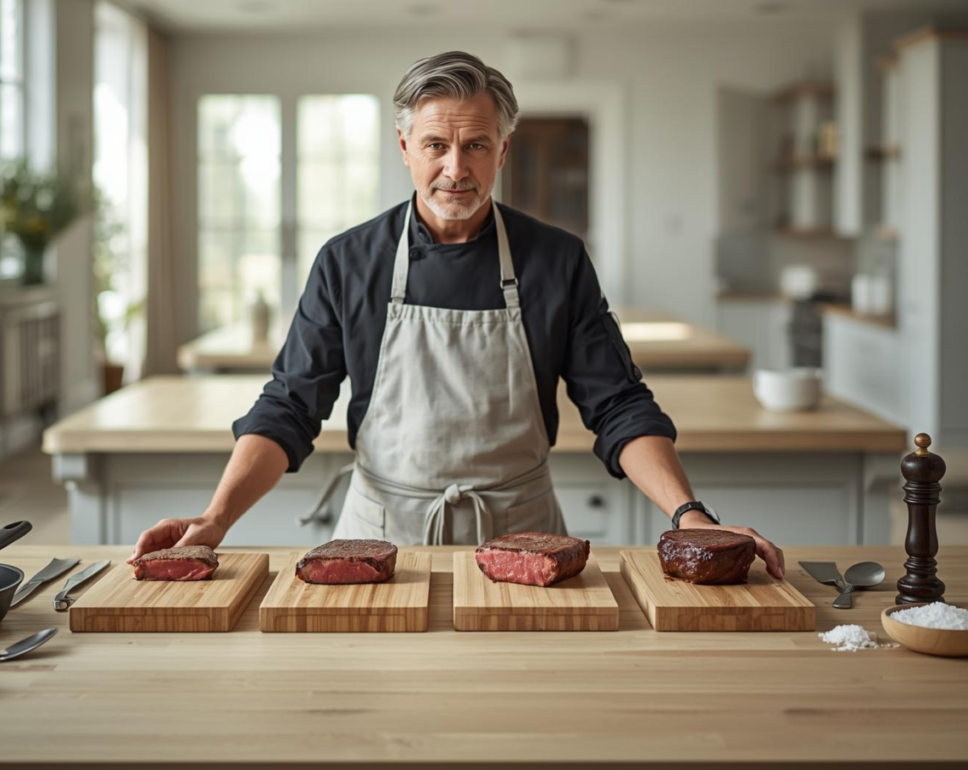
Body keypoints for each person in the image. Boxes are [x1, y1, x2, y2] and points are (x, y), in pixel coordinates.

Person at [128, 51, 784, 578]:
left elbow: (618, 404)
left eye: (475, 146)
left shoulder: (556, 260)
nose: (455, 168)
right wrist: (214, 521)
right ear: (405, 146)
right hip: (376, 541)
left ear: (502, 150)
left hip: (527, 535)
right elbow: (289, 408)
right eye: (436, 144)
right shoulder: (348, 261)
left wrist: (689, 515)